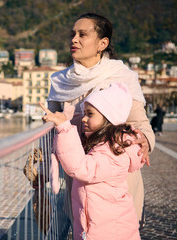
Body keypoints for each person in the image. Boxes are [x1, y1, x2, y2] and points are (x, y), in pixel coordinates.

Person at [46, 12, 155, 227]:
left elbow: (141, 125)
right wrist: (42, 168)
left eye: (82, 34)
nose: (74, 40)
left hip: (116, 183)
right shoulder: (59, 81)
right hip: (79, 181)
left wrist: (144, 141)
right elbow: (50, 129)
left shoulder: (123, 76)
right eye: (73, 34)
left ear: (102, 43)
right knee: (84, 229)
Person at [41, 83, 144, 240]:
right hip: (100, 226)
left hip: (108, 231)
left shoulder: (113, 150)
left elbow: (82, 168)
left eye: (90, 114)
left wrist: (64, 128)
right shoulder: (106, 144)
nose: (83, 119)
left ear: (109, 116)